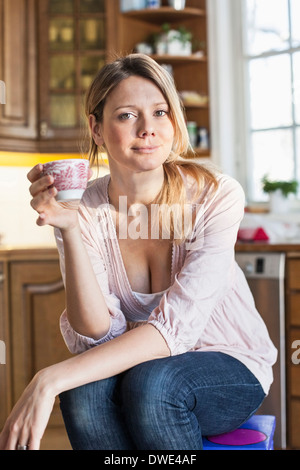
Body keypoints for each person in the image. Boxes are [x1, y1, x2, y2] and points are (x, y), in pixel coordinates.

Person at [0, 54, 277, 451]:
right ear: (96, 128)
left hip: (230, 363)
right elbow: (96, 334)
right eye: (128, 115)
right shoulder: (81, 206)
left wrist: (50, 377)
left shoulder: (217, 195)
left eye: (160, 112)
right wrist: (70, 229)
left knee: (153, 385)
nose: (148, 129)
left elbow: (177, 330)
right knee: (84, 393)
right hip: (139, 372)